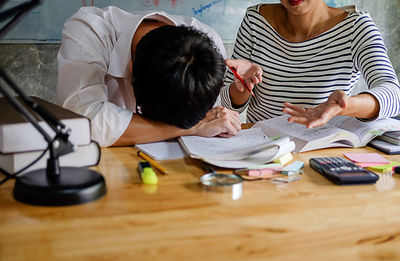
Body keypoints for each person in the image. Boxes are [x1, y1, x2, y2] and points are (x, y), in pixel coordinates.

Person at [57, 6, 241, 147]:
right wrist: (193, 128)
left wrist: (197, 125)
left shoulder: (208, 46)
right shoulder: (90, 30)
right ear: (131, 69)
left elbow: (207, 118)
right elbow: (85, 122)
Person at [222, 0, 400, 128]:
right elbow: (225, 106)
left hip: (321, 151)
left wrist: (345, 106)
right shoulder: (254, 21)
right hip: (261, 148)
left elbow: (394, 95)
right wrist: (243, 86)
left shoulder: (356, 27)